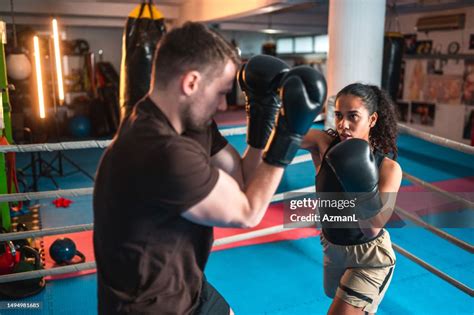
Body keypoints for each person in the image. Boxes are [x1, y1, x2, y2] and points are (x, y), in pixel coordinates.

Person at [93, 22, 326, 315]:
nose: (223, 104)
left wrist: (261, 117)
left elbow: (242, 182)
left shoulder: (190, 122)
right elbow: (248, 211)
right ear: (191, 82)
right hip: (149, 306)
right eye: (220, 92)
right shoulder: (159, 150)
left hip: (185, 283)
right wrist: (288, 132)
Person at [301, 83, 402, 315]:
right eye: (338, 115)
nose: (343, 125)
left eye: (353, 116)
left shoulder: (388, 169)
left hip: (369, 257)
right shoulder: (323, 145)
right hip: (332, 246)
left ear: (372, 119)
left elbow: (373, 228)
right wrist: (271, 106)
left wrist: (362, 184)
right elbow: (280, 139)